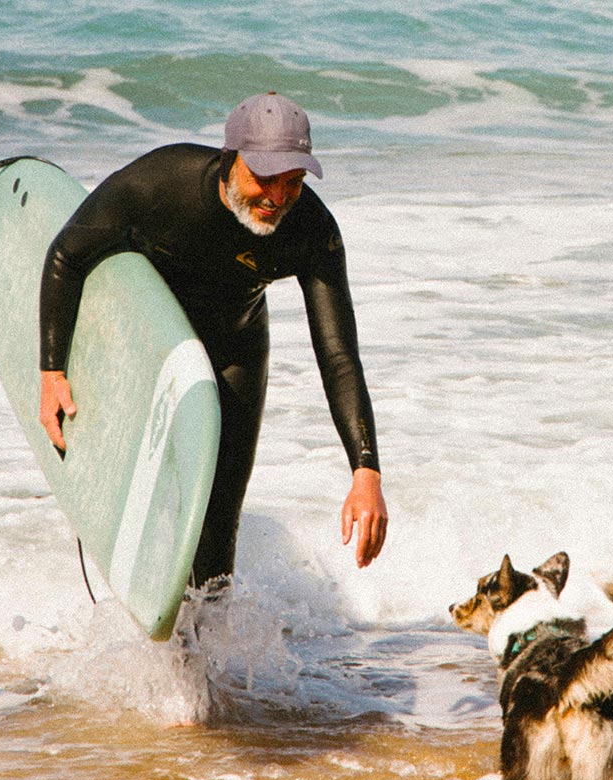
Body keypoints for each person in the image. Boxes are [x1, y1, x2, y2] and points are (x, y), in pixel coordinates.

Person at [36, 92, 387, 594]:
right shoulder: (160, 185)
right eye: (264, 178)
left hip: (234, 348)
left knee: (219, 519)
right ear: (228, 160)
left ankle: (206, 654)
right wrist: (52, 372)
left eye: (294, 181)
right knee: (145, 492)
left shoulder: (312, 229)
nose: (278, 197)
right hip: (145, 344)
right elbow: (67, 255)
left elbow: (338, 356)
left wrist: (365, 471)